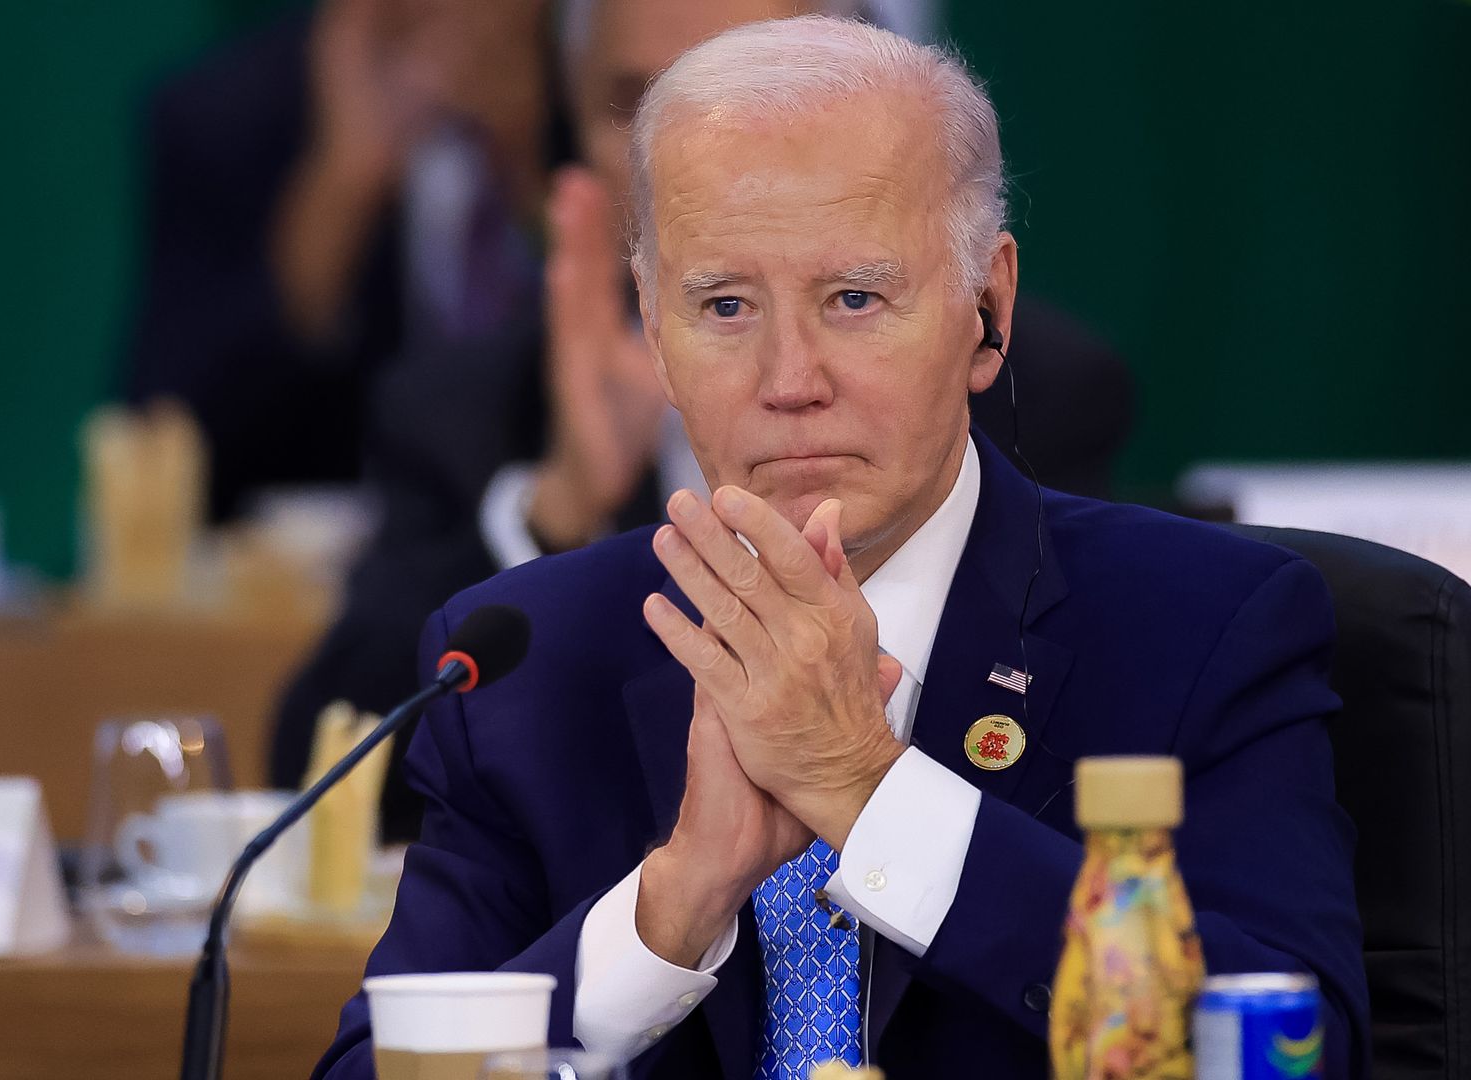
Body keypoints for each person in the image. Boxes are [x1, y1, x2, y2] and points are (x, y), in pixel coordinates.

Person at [311, 16, 1366, 1079]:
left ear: (988, 310)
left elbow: (1297, 1056)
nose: (789, 381)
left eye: (854, 299)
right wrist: (666, 914)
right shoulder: (527, 666)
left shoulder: (1206, 626)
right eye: (725, 305)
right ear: (656, 332)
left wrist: (868, 791)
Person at [270, 0, 1136, 843]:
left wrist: (857, 784)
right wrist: (558, 513)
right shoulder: (472, 406)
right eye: (638, 102)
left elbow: (1096, 770)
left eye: (768, 83)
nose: (712, 130)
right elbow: (327, 787)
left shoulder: (1027, 381)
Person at [122, 0, 550, 521]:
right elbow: (168, 445)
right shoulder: (230, 113)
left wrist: (536, 172)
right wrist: (344, 188)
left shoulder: (603, 82)